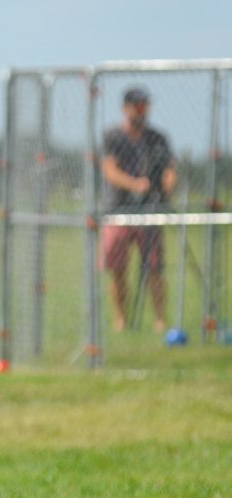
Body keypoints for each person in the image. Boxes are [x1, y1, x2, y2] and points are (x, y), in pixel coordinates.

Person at [101, 86, 177, 332]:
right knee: (118, 269)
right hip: (118, 211)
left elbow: (169, 169)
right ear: (126, 108)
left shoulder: (157, 138)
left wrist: (166, 185)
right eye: (137, 106)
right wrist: (135, 184)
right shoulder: (113, 136)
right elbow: (110, 170)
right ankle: (121, 320)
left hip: (150, 210)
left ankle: (159, 320)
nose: (141, 111)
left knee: (154, 267)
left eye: (145, 106)